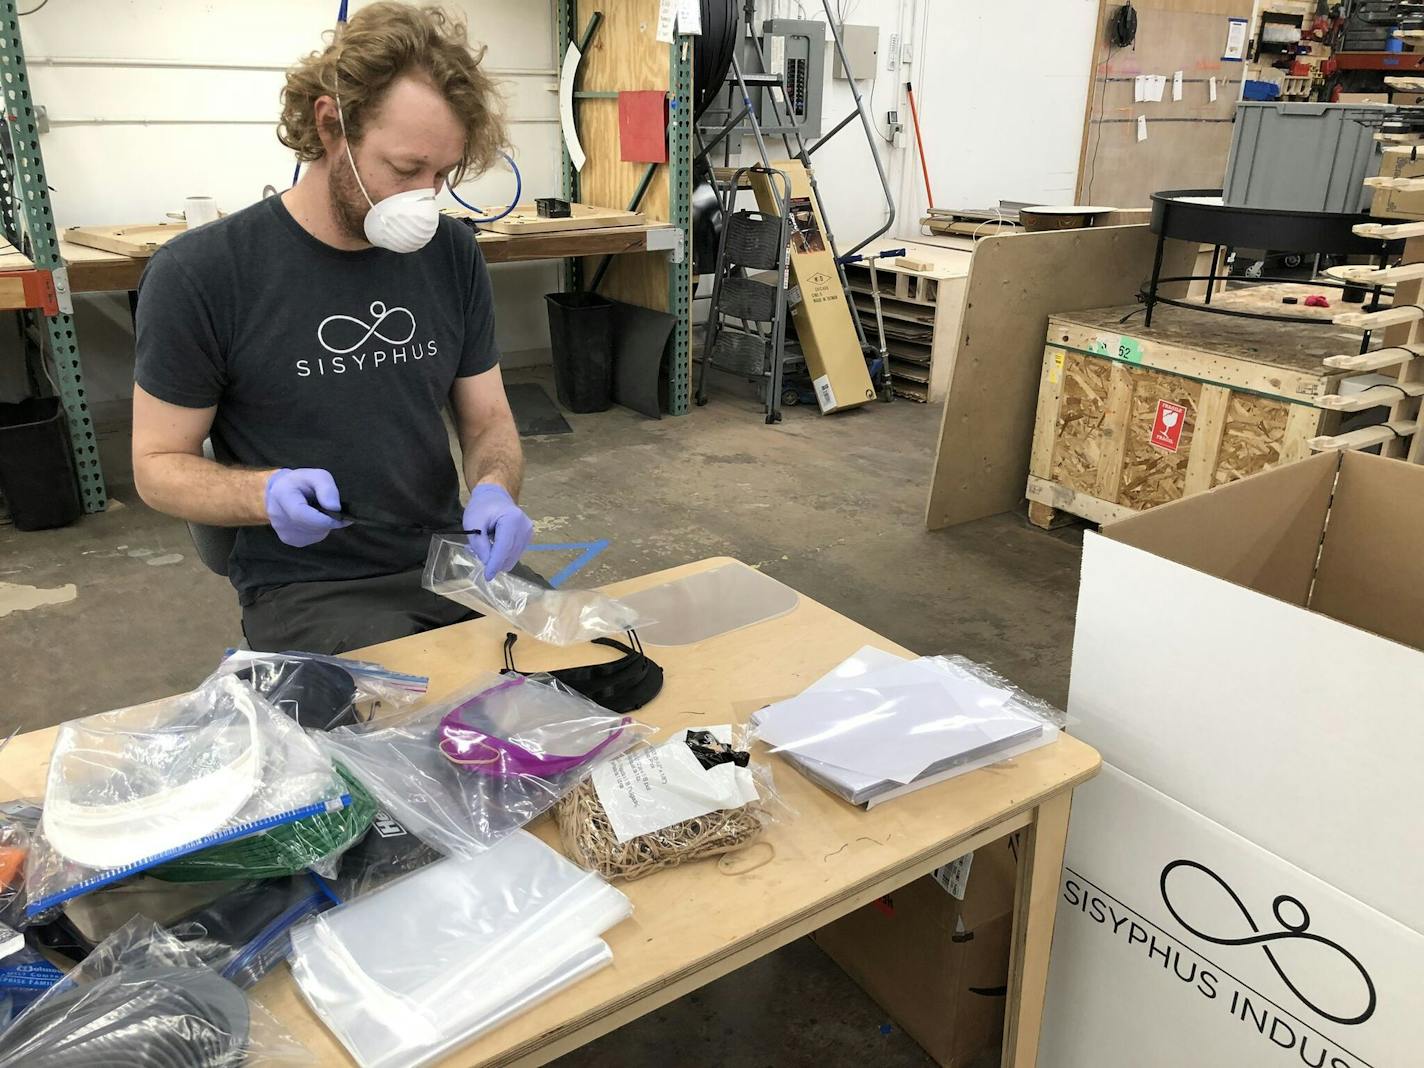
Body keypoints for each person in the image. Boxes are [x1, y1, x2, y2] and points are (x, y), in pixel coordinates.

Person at [131, 3, 534, 654]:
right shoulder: (203, 274)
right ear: (329, 125)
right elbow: (156, 467)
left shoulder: (452, 254)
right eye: (405, 171)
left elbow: (488, 419)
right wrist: (264, 493)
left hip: (449, 562)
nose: (424, 199)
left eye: (441, 175)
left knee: (584, 689)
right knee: (400, 737)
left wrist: (492, 490)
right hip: (309, 585)